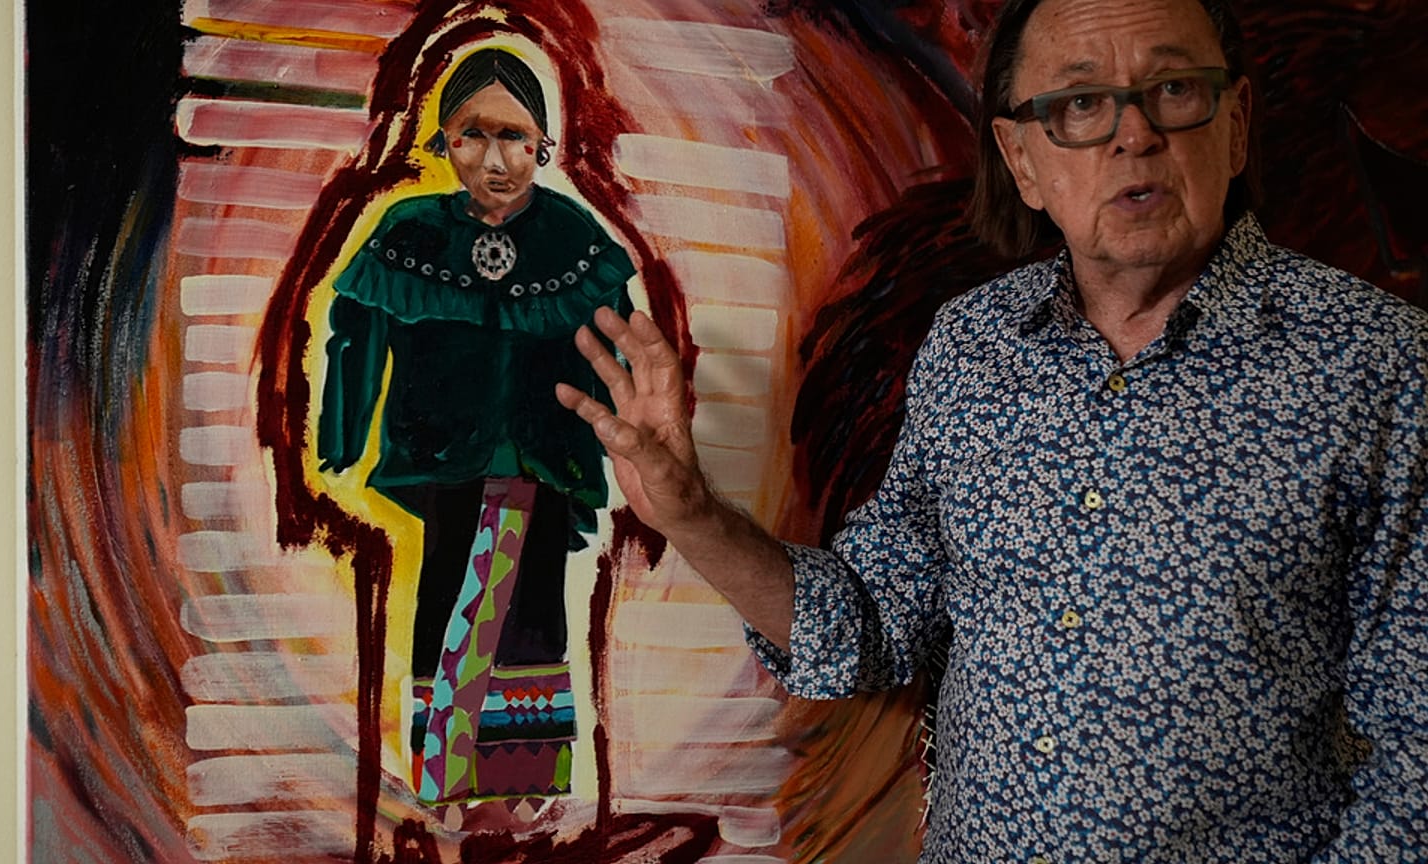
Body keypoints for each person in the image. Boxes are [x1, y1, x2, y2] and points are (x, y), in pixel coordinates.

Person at [556, 0, 1428, 859]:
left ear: (1234, 126)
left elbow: (1416, 764)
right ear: (1022, 160)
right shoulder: (972, 345)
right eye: (1080, 103)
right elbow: (865, 631)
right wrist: (689, 513)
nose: (1135, 135)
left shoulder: (1379, 366)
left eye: (1174, 89)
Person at [319, 46, 636, 804]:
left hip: (547, 453)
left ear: (543, 145)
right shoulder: (410, 231)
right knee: (447, 596)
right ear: (445, 141)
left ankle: (528, 775)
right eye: (474, 135)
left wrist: (628, 444)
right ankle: (446, 771)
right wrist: (342, 434)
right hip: (444, 451)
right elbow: (355, 333)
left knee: (536, 606)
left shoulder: (573, 236)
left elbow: (619, 350)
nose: (495, 160)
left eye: (514, 137)